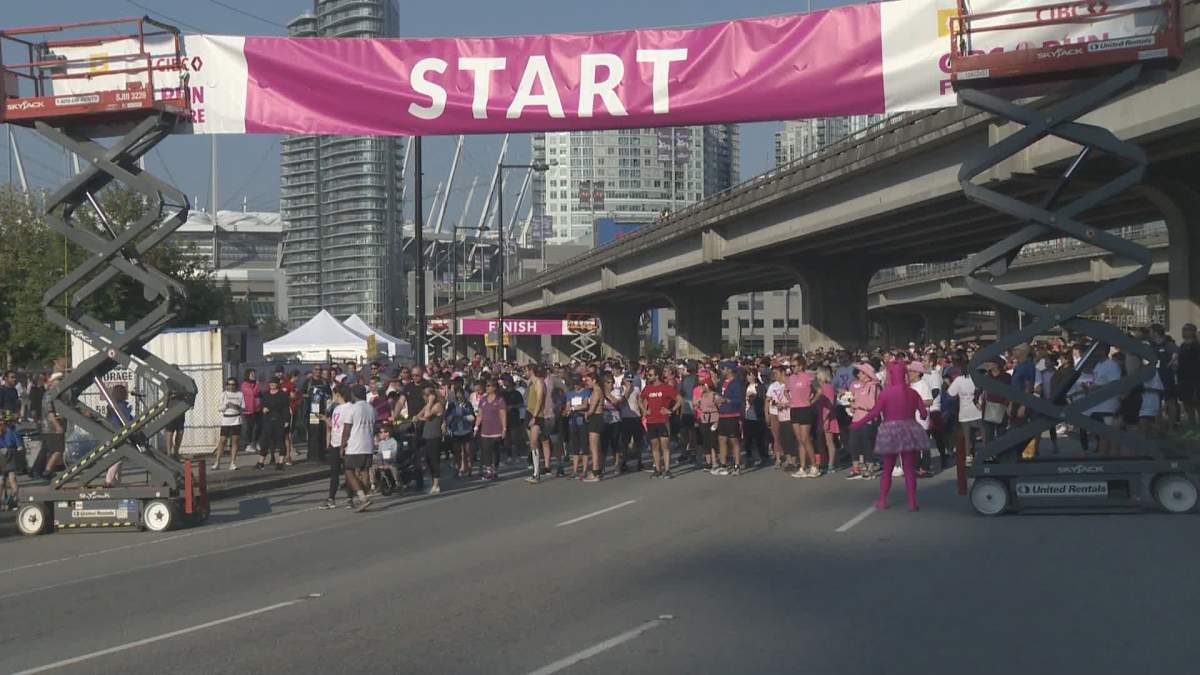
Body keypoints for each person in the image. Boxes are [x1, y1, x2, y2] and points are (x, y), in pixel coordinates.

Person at [851, 360, 928, 511]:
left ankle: (882, 500)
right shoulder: (913, 393)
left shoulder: (886, 393)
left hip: (890, 431)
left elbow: (873, 413)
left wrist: (858, 423)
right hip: (909, 428)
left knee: (887, 468)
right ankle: (912, 502)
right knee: (909, 468)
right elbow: (924, 414)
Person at [640, 366, 680, 478]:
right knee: (654, 446)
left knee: (665, 446)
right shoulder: (647, 388)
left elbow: (679, 399)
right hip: (651, 421)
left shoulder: (665, 388)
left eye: (650, 375)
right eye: (648, 375)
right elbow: (640, 399)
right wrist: (644, 410)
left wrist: (670, 410)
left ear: (657, 376)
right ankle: (657, 469)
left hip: (663, 420)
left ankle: (667, 470)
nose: (648, 377)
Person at [341, 384, 376, 511]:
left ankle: (362, 497)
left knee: (348, 470)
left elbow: (346, 429)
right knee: (364, 470)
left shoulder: (353, 409)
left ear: (354, 395)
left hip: (355, 445)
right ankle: (365, 497)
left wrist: (342, 445)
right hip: (368, 444)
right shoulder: (371, 408)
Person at [845, 362, 881, 480]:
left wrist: (857, 405)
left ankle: (870, 469)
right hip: (856, 419)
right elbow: (856, 400)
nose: (858, 374)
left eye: (861, 372)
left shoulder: (874, 386)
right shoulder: (861, 386)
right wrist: (851, 405)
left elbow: (872, 404)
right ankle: (856, 468)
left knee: (867, 444)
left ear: (867, 374)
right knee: (853, 443)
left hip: (867, 419)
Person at [320, 385, 352, 510]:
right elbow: (335, 426)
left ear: (339, 394)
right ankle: (331, 498)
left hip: (345, 444)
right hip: (334, 442)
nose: (333, 397)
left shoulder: (349, 408)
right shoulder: (336, 409)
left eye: (334, 394)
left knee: (348, 472)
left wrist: (345, 444)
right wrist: (325, 420)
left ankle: (350, 498)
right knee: (334, 473)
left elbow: (348, 427)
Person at [787, 357, 819, 478]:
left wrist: (811, 401)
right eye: (791, 366)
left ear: (801, 366)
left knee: (806, 439)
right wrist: (790, 401)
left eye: (794, 366)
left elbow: (819, 391)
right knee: (799, 439)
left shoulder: (809, 376)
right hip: (794, 409)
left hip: (805, 409)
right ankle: (802, 467)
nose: (792, 368)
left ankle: (814, 466)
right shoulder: (791, 378)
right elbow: (786, 391)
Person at [714, 362, 746, 476]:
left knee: (734, 441)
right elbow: (718, 394)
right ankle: (723, 465)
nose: (721, 371)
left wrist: (726, 400)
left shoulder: (737, 383)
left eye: (723, 368)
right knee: (721, 439)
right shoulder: (721, 382)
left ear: (729, 370)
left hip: (732, 414)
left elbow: (739, 400)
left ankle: (737, 465)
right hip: (722, 414)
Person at [475, 379, 507, 482]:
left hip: (496, 430)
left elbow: (503, 415)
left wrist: (504, 428)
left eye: (489, 386)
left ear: (494, 388)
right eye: (486, 386)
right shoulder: (483, 399)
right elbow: (480, 415)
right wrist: (476, 426)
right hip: (485, 430)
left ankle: (495, 470)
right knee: (486, 451)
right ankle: (488, 471)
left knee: (495, 451)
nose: (487, 388)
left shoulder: (500, 400)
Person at [415, 385, 445, 495]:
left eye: (427, 396)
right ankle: (433, 481)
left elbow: (427, 415)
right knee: (427, 460)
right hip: (426, 435)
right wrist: (422, 415)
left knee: (434, 460)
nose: (425, 398)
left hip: (434, 435)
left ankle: (436, 484)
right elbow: (418, 416)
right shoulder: (427, 405)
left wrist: (431, 402)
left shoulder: (437, 405)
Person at [256, 378, 290, 470]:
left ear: (278, 384)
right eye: (271, 383)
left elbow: (286, 408)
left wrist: (287, 421)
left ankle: (280, 462)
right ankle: (261, 462)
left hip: (279, 419)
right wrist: (263, 409)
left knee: (280, 440)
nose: (272, 385)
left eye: (274, 383)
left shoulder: (282, 395)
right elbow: (262, 405)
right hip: (268, 420)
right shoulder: (266, 394)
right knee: (265, 441)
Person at [212, 377, 242, 471]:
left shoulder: (240, 394)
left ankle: (232, 462)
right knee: (222, 441)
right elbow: (220, 408)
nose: (231, 386)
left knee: (235, 441)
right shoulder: (224, 394)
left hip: (236, 419)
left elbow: (242, 407)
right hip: (226, 420)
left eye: (233, 384)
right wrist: (226, 405)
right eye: (229, 384)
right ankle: (217, 462)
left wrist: (235, 406)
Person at [446, 381, 475, 479]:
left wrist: (463, 418)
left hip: (466, 431)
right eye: (457, 394)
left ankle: (469, 468)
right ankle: (457, 470)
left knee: (468, 451)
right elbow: (447, 417)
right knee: (457, 452)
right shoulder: (451, 405)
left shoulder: (468, 404)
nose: (459, 396)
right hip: (456, 431)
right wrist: (452, 418)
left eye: (461, 394)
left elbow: (472, 417)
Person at [1, 412, 21, 510]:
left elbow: (19, 446)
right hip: (1, 459)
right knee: (1, 481)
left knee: (12, 479)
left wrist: (14, 449)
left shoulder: (11, 432)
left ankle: (15, 500)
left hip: (10, 457)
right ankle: (1, 502)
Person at [240, 369, 261, 452]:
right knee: (249, 427)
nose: (254, 375)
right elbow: (252, 393)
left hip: (257, 408)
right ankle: (248, 444)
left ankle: (256, 442)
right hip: (249, 409)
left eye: (254, 374)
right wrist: (257, 386)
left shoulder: (255, 384)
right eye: (251, 374)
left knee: (258, 426)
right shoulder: (245, 385)